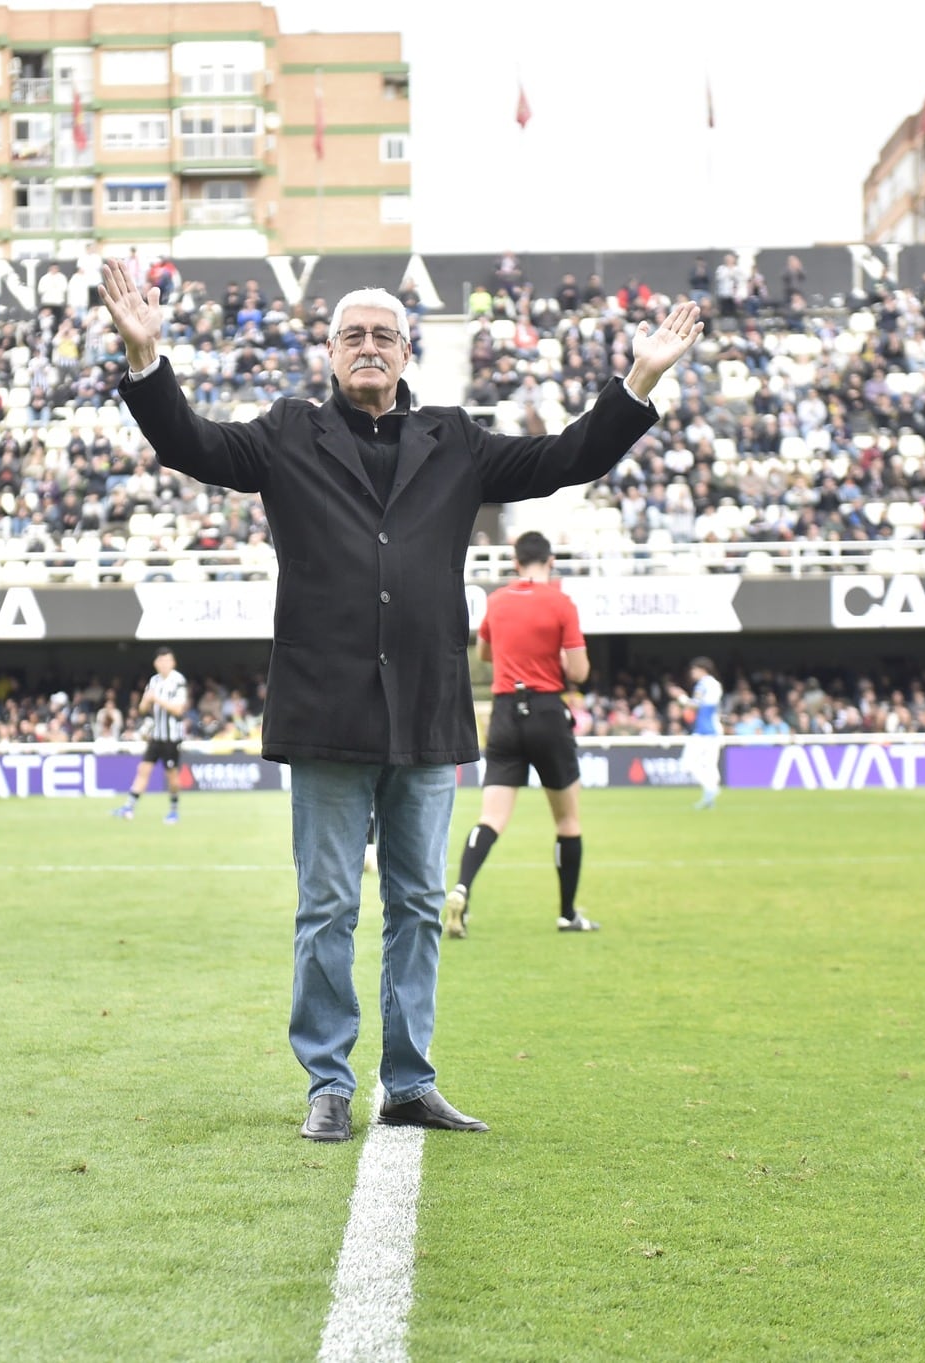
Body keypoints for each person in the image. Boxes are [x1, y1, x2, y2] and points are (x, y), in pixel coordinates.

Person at [100, 258, 699, 1143]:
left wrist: (641, 378)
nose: (369, 347)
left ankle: (411, 1079)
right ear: (329, 353)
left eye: (384, 335)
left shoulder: (454, 439)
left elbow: (566, 457)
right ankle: (328, 1082)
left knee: (419, 903)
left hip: (427, 710)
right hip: (326, 710)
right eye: (353, 336)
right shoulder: (286, 433)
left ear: (407, 350)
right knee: (327, 907)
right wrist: (147, 359)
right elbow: (190, 442)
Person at [442, 531, 596, 938]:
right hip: (547, 711)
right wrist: (557, 661)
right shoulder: (561, 603)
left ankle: (461, 889)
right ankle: (567, 913)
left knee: (491, 816)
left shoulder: (497, 601)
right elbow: (580, 672)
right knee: (567, 820)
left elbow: (485, 655)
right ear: (550, 561)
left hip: (506, 712)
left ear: (514, 562)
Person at [112, 646, 189, 824]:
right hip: (156, 735)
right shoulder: (153, 681)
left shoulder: (178, 680)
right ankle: (129, 807)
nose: (164, 664)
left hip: (171, 738)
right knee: (143, 770)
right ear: (156, 663)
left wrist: (157, 699)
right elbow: (142, 709)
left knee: (172, 776)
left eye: (167, 660)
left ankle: (173, 811)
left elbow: (178, 709)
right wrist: (145, 701)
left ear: (173, 662)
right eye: (161, 661)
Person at [678, 658, 725, 810]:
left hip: (705, 731)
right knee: (709, 765)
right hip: (711, 730)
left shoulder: (705, 684)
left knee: (688, 763)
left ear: (702, 669)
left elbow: (699, 706)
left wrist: (682, 698)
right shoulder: (713, 684)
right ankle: (709, 799)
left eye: (694, 670)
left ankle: (711, 790)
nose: (692, 673)